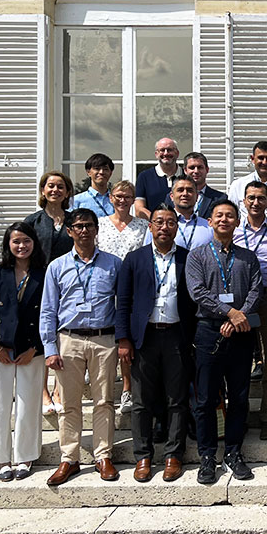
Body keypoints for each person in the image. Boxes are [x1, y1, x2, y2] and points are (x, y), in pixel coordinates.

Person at [39, 208, 123, 486]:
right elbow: (48, 310)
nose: (84, 230)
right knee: (69, 404)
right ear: (69, 231)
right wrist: (50, 348)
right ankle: (69, 458)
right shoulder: (57, 267)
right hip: (69, 340)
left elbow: (122, 305)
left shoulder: (113, 264)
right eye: (79, 226)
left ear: (97, 229)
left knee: (104, 401)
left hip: (103, 339)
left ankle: (103, 456)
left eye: (89, 225)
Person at [115, 206, 196, 483]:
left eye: (171, 222)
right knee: (141, 402)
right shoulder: (134, 259)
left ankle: (174, 455)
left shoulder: (188, 258)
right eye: (159, 222)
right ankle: (143, 456)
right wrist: (124, 339)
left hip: (177, 335)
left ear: (177, 228)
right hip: (144, 337)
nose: (165, 227)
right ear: (150, 226)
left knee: (177, 399)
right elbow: (123, 301)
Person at [186, 199, 263, 484]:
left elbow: (257, 289)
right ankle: (207, 455)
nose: (224, 220)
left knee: (240, 397)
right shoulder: (197, 256)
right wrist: (230, 312)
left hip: (241, 333)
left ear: (237, 221)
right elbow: (197, 292)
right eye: (219, 215)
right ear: (210, 221)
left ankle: (233, 452)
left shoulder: (248, 257)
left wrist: (238, 317)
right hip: (209, 333)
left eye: (230, 216)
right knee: (206, 399)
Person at [0, 222, 47, 482]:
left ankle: (25, 456)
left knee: (29, 403)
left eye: (26, 241)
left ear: (34, 243)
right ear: (8, 244)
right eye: (16, 241)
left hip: (31, 348)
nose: (21, 246)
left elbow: (48, 313)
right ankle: (1, 458)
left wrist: (36, 348)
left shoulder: (43, 273)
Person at [233, 180, 267, 441]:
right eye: (251, 198)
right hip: (238, 303)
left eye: (261, 198)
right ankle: (238, 415)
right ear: (244, 201)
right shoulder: (232, 230)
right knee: (237, 362)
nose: (256, 202)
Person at [24, 170, 75, 416]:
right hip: (39, 285)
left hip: (69, 286)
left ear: (67, 192)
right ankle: (43, 391)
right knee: (43, 338)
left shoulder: (74, 220)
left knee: (63, 338)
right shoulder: (32, 221)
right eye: (50, 186)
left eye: (60, 187)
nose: (55, 190)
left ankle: (58, 390)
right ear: (43, 191)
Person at [97, 179, 150, 415]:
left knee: (126, 339)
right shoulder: (99, 225)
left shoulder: (143, 225)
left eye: (127, 197)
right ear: (110, 197)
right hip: (103, 287)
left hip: (133, 288)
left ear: (133, 200)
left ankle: (127, 388)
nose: (122, 200)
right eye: (118, 196)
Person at [144, 175, 213, 250]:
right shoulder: (157, 226)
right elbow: (147, 254)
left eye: (190, 190)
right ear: (172, 196)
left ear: (197, 197)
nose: (185, 194)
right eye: (180, 190)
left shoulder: (208, 227)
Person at [135, 138, 183, 219]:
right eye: (162, 150)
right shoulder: (144, 177)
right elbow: (139, 208)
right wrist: (157, 221)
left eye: (170, 150)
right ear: (156, 154)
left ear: (177, 153)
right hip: (154, 228)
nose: (166, 153)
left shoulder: (186, 176)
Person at [71, 153, 115, 218]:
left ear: (110, 173)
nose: (101, 172)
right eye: (97, 168)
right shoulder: (76, 201)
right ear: (88, 172)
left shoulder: (117, 200)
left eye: (105, 169)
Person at [184, 152, 226, 218]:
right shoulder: (172, 198)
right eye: (192, 168)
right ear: (185, 170)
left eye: (200, 167)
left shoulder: (220, 198)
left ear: (207, 170)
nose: (196, 171)